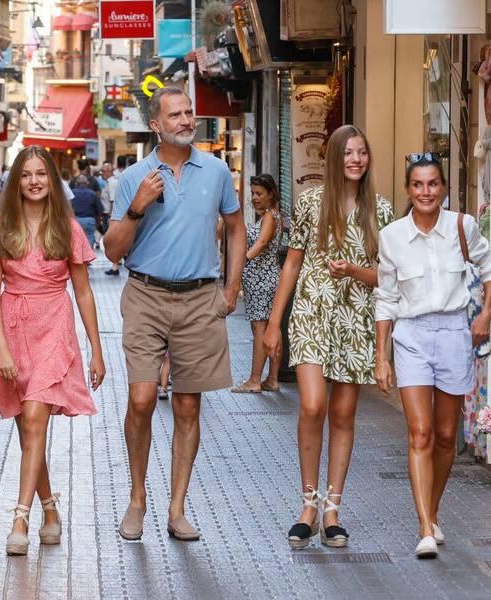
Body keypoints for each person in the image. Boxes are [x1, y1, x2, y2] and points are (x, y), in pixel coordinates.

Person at [104, 86, 246, 541]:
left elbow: (237, 229)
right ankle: (137, 497)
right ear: (156, 125)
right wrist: (137, 206)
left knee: (188, 405)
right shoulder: (135, 177)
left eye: (190, 112)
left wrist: (231, 288)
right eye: (176, 115)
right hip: (145, 294)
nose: (187, 120)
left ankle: (177, 507)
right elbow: (111, 251)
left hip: (201, 298)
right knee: (142, 399)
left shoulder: (218, 170)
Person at [264, 125, 393, 550]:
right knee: (313, 405)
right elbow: (291, 264)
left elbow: (390, 281)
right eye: (348, 153)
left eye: (362, 153)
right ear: (335, 159)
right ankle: (308, 504)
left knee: (342, 416)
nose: (356, 160)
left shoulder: (382, 211)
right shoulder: (310, 202)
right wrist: (273, 323)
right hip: (311, 314)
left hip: (356, 319)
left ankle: (332, 510)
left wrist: (354, 271)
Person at [373, 153, 491, 558]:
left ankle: (434, 510)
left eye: (432, 184)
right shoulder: (392, 236)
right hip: (410, 335)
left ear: (443, 188)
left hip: (453, 334)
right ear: (408, 190)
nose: (425, 192)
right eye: (417, 185)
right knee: (421, 432)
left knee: (448, 436)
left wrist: (485, 314)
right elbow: (386, 298)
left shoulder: (461, 227)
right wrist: (381, 354)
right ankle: (425, 526)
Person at [0, 145, 105, 556]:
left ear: (52, 180)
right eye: (26, 174)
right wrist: (0, 348)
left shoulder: (68, 230)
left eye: (41, 174)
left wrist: (96, 349)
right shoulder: (0, 231)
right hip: (14, 329)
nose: (34, 181)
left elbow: (84, 292)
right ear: (16, 181)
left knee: (35, 416)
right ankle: (51, 508)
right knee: (27, 427)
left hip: (54, 323)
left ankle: (20, 517)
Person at [232, 173, 283, 393]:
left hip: (263, 279)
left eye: (259, 193)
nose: (254, 197)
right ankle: (271, 378)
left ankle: (254, 380)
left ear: (271, 194)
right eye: (252, 193)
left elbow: (261, 243)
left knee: (259, 330)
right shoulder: (272, 215)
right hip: (265, 279)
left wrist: (241, 261)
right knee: (272, 328)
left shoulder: (270, 217)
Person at [100, 161, 121, 275]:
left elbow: (113, 200)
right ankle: (115, 264)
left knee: (112, 241)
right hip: (107, 214)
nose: (101, 173)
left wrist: (110, 217)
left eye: (103, 171)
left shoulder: (112, 183)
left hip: (109, 215)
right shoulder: (109, 182)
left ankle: (115, 265)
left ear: (109, 171)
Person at [71, 175, 103, 250]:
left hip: (74, 220)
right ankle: (87, 260)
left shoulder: (71, 194)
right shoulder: (92, 194)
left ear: (76, 183)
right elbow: (99, 210)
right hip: (89, 220)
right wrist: (98, 221)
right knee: (89, 239)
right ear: (87, 183)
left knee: (75, 241)